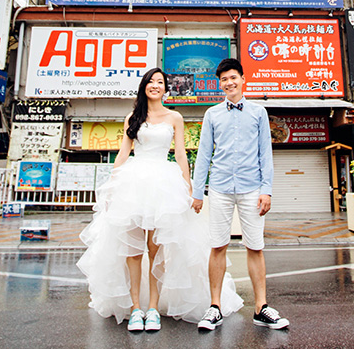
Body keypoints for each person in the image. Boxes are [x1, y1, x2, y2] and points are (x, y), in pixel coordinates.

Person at [78, 68, 241, 331]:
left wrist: (188, 187)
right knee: (131, 250)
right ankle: (134, 308)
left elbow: (179, 154)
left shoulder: (175, 117)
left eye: (160, 82)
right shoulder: (133, 117)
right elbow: (123, 153)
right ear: (144, 87)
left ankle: (153, 307)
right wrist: (112, 185)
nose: (155, 85)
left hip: (163, 185)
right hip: (133, 184)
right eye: (151, 82)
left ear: (166, 88)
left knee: (157, 250)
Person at [191, 58, 288, 331]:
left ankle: (261, 307)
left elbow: (265, 154)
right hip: (220, 188)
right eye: (223, 79)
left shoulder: (259, 113)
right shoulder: (212, 114)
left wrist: (266, 190)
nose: (229, 83)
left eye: (233, 77)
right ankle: (214, 307)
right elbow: (204, 155)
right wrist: (199, 192)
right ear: (219, 84)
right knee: (218, 245)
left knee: (255, 246)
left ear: (243, 79)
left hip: (251, 189)